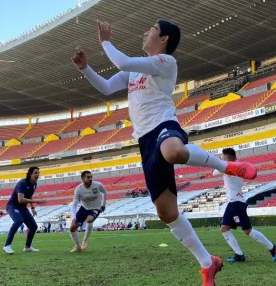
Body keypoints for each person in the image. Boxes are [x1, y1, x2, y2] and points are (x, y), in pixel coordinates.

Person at [72, 20, 257, 285]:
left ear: (164, 39)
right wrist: (86, 69)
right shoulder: (134, 72)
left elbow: (122, 61)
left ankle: (225, 166)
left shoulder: (165, 62)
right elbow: (106, 87)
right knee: (166, 213)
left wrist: (105, 42)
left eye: (151, 29)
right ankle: (208, 263)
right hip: (145, 141)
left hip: (164, 125)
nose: (145, 31)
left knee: (172, 151)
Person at [215, 148, 276, 263]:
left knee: (247, 230)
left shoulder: (231, 167)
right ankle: (240, 254)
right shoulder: (237, 166)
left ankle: (272, 248)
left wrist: (220, 162)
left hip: (236, 203)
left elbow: (214, 172)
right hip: (235, 202)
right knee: (225, 228)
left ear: (227, 158)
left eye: (222, 157)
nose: (221, 159)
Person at [3, 167, 45, 254]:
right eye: (35, 173)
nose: (37, 174)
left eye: (38, 173)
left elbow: (29, 195)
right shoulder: (22, 183)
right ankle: (7, 245)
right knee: (18, 221)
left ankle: (27, 247)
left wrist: (32, 208)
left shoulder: (34, 184)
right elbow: (20, 200)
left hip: (23, 208)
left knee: (33, 226)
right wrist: (37, 201)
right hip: (13, 206)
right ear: (30, 174)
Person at [70, 171, 107, 252]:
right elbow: (74, 204)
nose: (90, 179)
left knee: (89, 219)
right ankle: (78, 247)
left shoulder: (97, 185)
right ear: (83, 178)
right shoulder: (78, 189)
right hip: (84, 208)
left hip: (95, 208)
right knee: (72, 227)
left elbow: (104, 192)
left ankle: (85, 240)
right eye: (88, 177)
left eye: (91, 177)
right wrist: (74, 216)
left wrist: (103, 204)